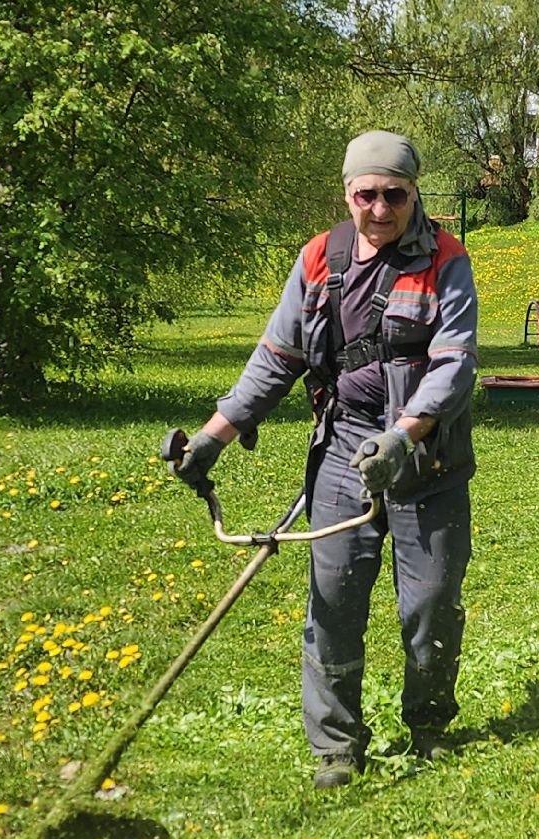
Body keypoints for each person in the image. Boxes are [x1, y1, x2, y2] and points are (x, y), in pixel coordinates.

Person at [169, 131, 478, 790]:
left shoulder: (446, 259)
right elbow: (276, 359)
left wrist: (402, 438)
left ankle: (429, 728)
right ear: (348, 193)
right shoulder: (319, 259)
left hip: (426, 462)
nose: (380, 208)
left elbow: (454, 367)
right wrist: (212, 438)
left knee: (430, 606)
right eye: (367, 194)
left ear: (413, 191)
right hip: (341, 451)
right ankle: (337, 746)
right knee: (333, 605)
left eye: (394, 193)